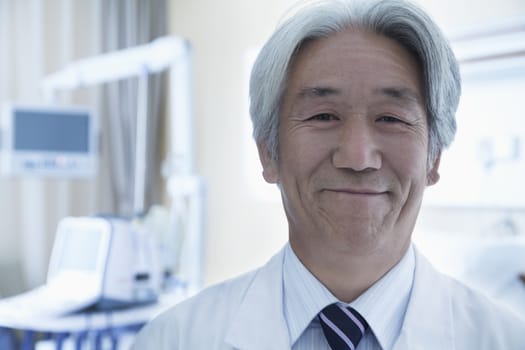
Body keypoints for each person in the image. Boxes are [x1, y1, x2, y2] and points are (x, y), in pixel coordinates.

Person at [132, 0, 525, 348]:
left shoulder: (504, 339)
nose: (357, 157)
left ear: (434, 158)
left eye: (390, 118)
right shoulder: (173, 339)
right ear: (268, 152)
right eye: (323, 116)